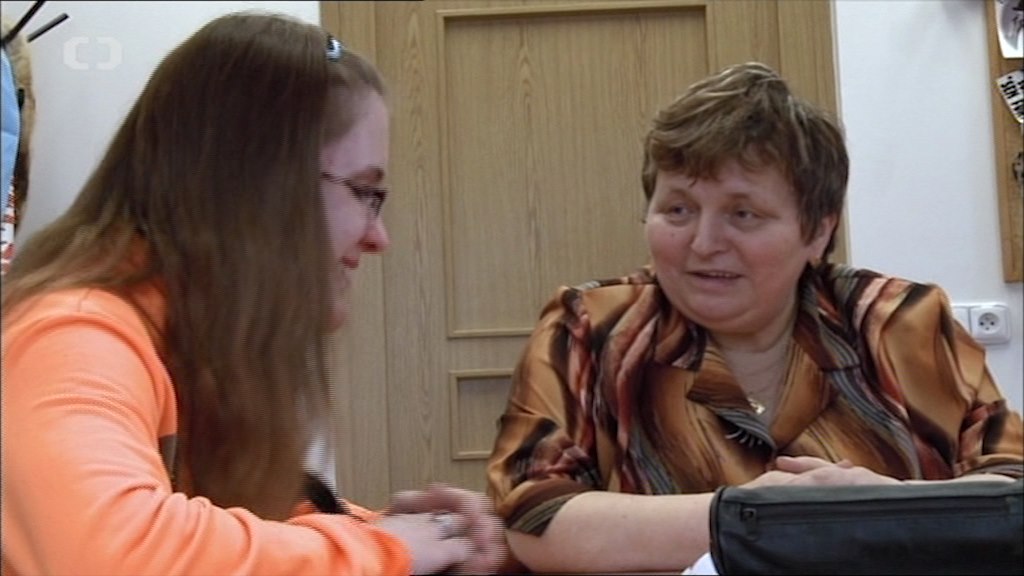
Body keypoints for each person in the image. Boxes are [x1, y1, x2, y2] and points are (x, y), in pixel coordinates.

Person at [1, 12, 506, 575]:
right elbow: (109, 554)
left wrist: (377, 531)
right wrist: (385, 549)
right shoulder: (73, 332)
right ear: (261, 183)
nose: (378, 237)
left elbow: (224, 524)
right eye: (364, 191)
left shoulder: (187, 336)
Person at [485, 62, 1024, 573]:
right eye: (678, 209)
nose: (703, 243)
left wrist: (874, 504)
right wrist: (760, 518)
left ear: (817, 231)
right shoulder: (592, 328)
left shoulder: (901, 322)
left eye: (743, 214)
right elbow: (531, 514)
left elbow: (1011, 495)